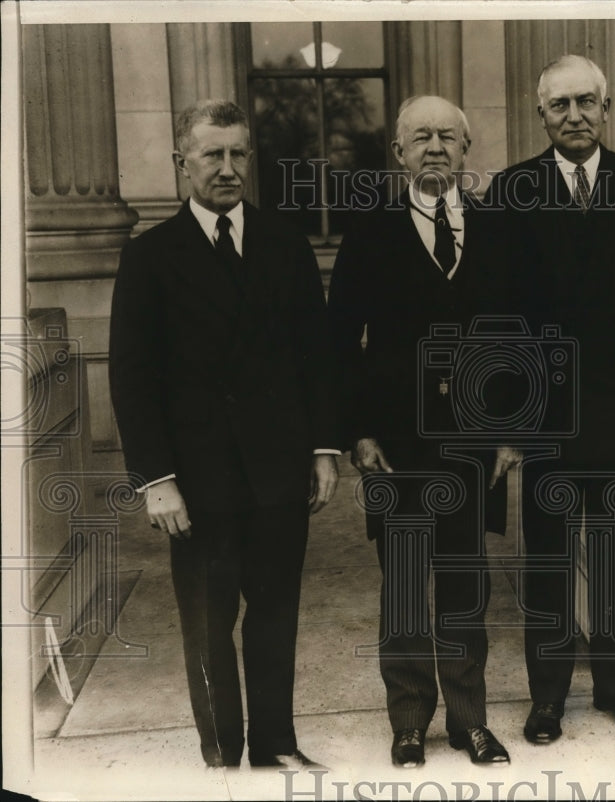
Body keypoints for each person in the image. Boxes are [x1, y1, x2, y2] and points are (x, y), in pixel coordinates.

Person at [108, 100, 339, 770]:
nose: (230, 168)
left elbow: (316, 356)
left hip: (276, 471)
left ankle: (276, 747)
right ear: (183, 162)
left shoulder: (285, 244)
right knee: (209, 627)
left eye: (240, 154)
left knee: (274, 617)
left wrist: (324, 448)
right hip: (197, 478)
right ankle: (221, 758)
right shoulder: (150, 257)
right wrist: (156, 479)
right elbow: (132, 376)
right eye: (214, 155)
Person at [487, 55, 615, 743]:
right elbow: (498, 314)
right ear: (540, 114)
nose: (574, 116)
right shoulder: (513, 190)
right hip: (545, 416)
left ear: (607, 108)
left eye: (586, 103)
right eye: (559, 105)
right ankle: (547, 696)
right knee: (547, 556)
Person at [327, 95, 510, 768]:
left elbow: (517, 334)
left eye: (448, 138)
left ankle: (469, 721)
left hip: (472, 441)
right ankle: (408, 721)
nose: (436, 148)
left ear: (466, 151)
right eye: (421, 138)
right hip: (395, 443)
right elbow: (341, 341)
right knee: (403, 580)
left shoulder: (496, 227)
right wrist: (359, 431)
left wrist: (513, 433)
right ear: (399, 153)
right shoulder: (370, 230)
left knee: (466, 581)